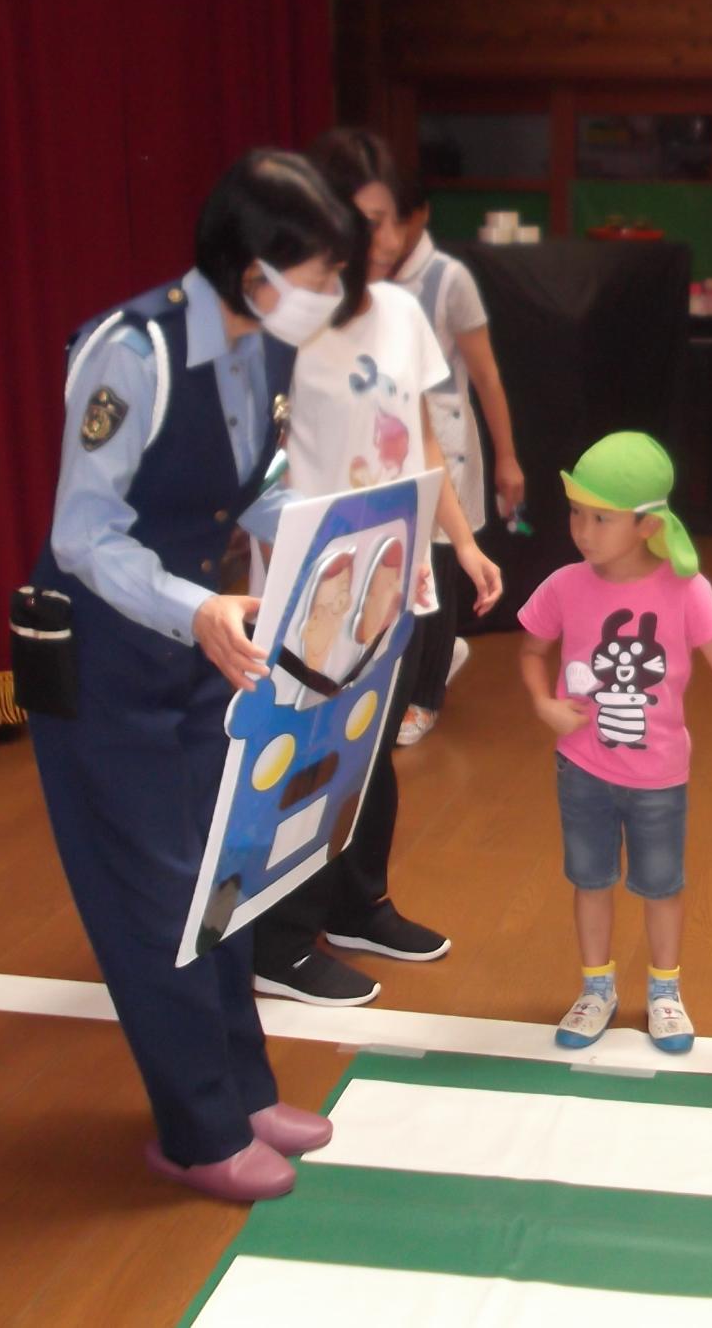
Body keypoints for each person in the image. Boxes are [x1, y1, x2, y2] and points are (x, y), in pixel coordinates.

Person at [25, 149, 356, 1202]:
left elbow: (247, 488)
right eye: (314, 273)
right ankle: (195, 1129)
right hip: (110, 655)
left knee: (222, 874)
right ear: (252, 269)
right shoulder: (133, 352)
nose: (329, 295)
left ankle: (242, 1090)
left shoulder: (258, 350)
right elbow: (83, 536)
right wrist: (194, 606)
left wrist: (321, 546)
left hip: (203, 643)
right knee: (153, 896)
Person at [248, 127, 504, 1009]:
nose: (375, 240)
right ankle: (277, 941)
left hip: (398, 574)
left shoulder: (399, 312)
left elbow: (425, 432)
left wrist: (461, 538)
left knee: (372, 751)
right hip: (313, 584)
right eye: (358, 220)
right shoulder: (284, 322)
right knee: (309, 760)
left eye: (384, 221)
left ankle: (359, 903)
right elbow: (260, 457)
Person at [517, 432, 712, 1054]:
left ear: (648, 525)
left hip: (659, 776)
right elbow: (532, 649)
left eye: (601, 517)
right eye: (575, 513)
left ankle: (665, 992)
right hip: (582, 769)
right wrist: (543, 704)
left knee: (661, 885)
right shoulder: (566, 585)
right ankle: (597, 988)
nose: (582, 530)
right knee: (590, 879)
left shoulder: (684, 588)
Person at [392, 175, 527, 747]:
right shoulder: (366, 283)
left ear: (419, 215)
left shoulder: (449, 280)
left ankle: (426, 696)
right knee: (403, 561)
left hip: (445, 431)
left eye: (393, 219)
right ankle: (435, 658)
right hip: (392, 433)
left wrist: (508, 458)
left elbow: (488, 376)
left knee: (443, 562)